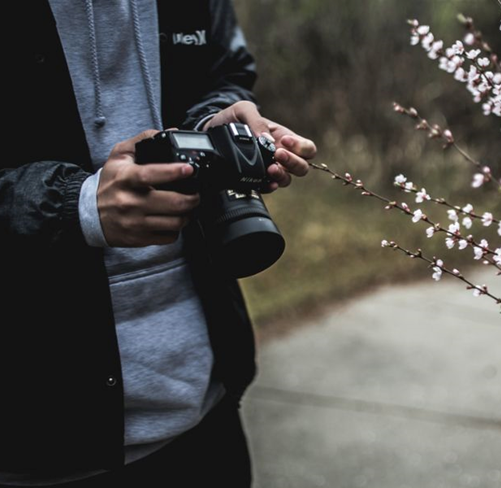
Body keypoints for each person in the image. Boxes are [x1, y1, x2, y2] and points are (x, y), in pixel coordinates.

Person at [0, 1, 315, 486]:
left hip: (207, 408)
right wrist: (74, 205)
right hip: (38, 440)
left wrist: (216, 125)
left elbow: (222, 71)